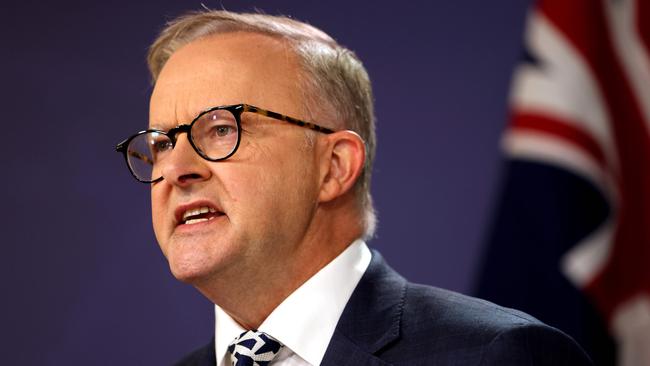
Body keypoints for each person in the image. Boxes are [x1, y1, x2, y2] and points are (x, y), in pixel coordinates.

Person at [116, 9, 593, 366]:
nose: (176, 169)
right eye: (160, 143)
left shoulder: (494, 356)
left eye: (221, 129)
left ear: (334, 167)